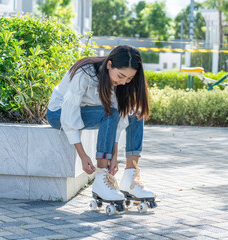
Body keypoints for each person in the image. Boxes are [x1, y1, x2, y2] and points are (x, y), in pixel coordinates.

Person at [46, 45, 155, 203]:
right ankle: (101, 177)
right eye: (121, 75)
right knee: (109, 113)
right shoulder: (84, 73)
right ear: (109, 64)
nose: (124, 82)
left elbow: (119, 120)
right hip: (59, 112)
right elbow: (69, 117)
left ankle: (131, 179)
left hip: (89, 113)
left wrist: (115, 155)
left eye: (129, 79)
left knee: (136, 114)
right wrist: (82, 156)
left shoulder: (119, 84)